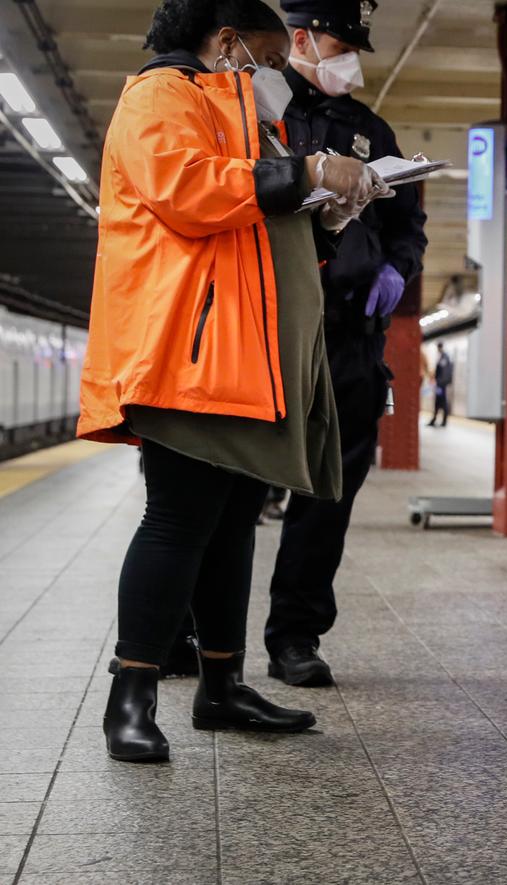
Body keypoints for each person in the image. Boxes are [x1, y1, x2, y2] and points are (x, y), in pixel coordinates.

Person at [80, 0, 385, 763]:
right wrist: (304, 169)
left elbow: (257, 213)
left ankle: (222, 685)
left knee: (232, 521)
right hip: (187, 350)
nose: (273, 76)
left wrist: (331, 210)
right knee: (178, 520)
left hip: (245, 356)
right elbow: (188, 190)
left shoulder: (230, 108)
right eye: (268, 59)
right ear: (227, 44)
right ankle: (131, 695)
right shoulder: (160, 97)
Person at [264, 0, 429, 688]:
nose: (349, 60)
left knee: (330, 489)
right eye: (338, 44)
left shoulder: (370, 129)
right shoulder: (260, 113)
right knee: (231, 484)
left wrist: (398, 267)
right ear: (299, 38)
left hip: (351, 335)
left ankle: (296, 634)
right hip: (269, 328)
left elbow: (407, 226)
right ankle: (190, 626)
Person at [428, 344, 452, 427]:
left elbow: (444, 372)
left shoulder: (444, 357)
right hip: (440, 384)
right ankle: (434, 419)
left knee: (442, 401)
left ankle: (443, 421)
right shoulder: (443, 357)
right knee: (438, 402)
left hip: (441, 385)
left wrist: (439, 382)